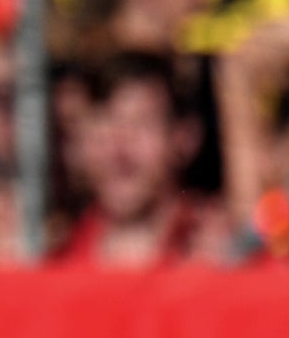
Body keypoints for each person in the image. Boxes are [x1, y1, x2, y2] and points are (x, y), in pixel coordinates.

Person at [58, 52, 220, 268]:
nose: (119, 147)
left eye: (142, 122)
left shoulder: (221, 251)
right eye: (103, 124)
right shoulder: (50, 258)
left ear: (185, 138)